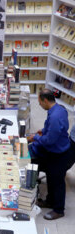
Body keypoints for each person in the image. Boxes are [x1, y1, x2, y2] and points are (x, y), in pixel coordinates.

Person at [27, 89, 74, 220]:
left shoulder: (54, 116)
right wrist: (43, 131)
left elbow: (49, 141)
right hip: (56, 150)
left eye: (40, 102)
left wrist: (35, 138)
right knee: (51, 176)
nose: (40, 105)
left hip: (59, 154)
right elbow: (56, 129)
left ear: (45, 100)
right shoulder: (59, 109)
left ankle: (59, 210)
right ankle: (49, 201)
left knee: (57, 181)